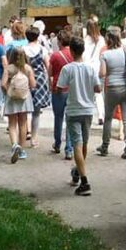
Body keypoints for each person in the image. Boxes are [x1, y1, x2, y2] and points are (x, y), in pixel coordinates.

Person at [57, 36, 101, 196]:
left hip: (74, 110)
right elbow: (98, 88)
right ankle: (78, 171)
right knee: (84, 144)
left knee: (76, 143)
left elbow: (60, 88)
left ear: (71, 51)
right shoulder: (90, 68)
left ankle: (84, 181)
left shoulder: (67, 69)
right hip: (88, 110)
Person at [96, 26, 126, 159]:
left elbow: (102, 73)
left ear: (108, 38)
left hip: (112, 88)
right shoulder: (125, 52)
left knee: (108, 118)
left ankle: (105, 146)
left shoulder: (105, 54)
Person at [2, 46, 36, 163]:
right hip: (24, 99)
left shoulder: (9, 69)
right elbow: (33, 84)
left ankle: (14, 145)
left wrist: (8, 92)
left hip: (12, 98)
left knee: (12, 124)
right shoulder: (27, 68)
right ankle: (21, 149)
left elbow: (3, 84)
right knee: (23, 123)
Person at [48, 25, 76, 160]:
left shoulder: (55, 56)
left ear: (59, 41)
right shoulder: (74, 54)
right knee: (70, 119)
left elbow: (50, 73)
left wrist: (50, 87)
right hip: (71, 89)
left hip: (58, 89)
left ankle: (58, 143)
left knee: (58, 118)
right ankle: (69, 148)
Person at [23, 26, 51, 149]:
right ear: (37, 36)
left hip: (25, 79)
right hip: (39, 79)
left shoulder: (23, 50)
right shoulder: (42, 50)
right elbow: (48, 66)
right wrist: (49, 81)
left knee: (24, 110)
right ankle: (34, 138)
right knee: (36, 112)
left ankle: (25, 133)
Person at [82, 19, 106, 124]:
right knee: (99, 93)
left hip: (87, 68)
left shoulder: (85, 40)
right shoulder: (101, 39)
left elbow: (83, 55)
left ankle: (89, 115)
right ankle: (101, 115)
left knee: (88, 93)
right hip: (98, 68)